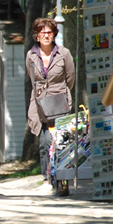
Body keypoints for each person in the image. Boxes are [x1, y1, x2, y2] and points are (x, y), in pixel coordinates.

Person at [25, 17, 76, 196]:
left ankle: (62, 182)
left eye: (49, 32)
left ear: (54, 34)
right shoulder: (31, 55)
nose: (46, 35)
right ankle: (47, 179)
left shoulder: (64, 54)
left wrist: (60, 95)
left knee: (61, 142)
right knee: (44, 142)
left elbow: (70, 78)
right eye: (42, 32)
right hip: (40, 104)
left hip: (59, 103)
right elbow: (33, 79)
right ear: (37, 36)